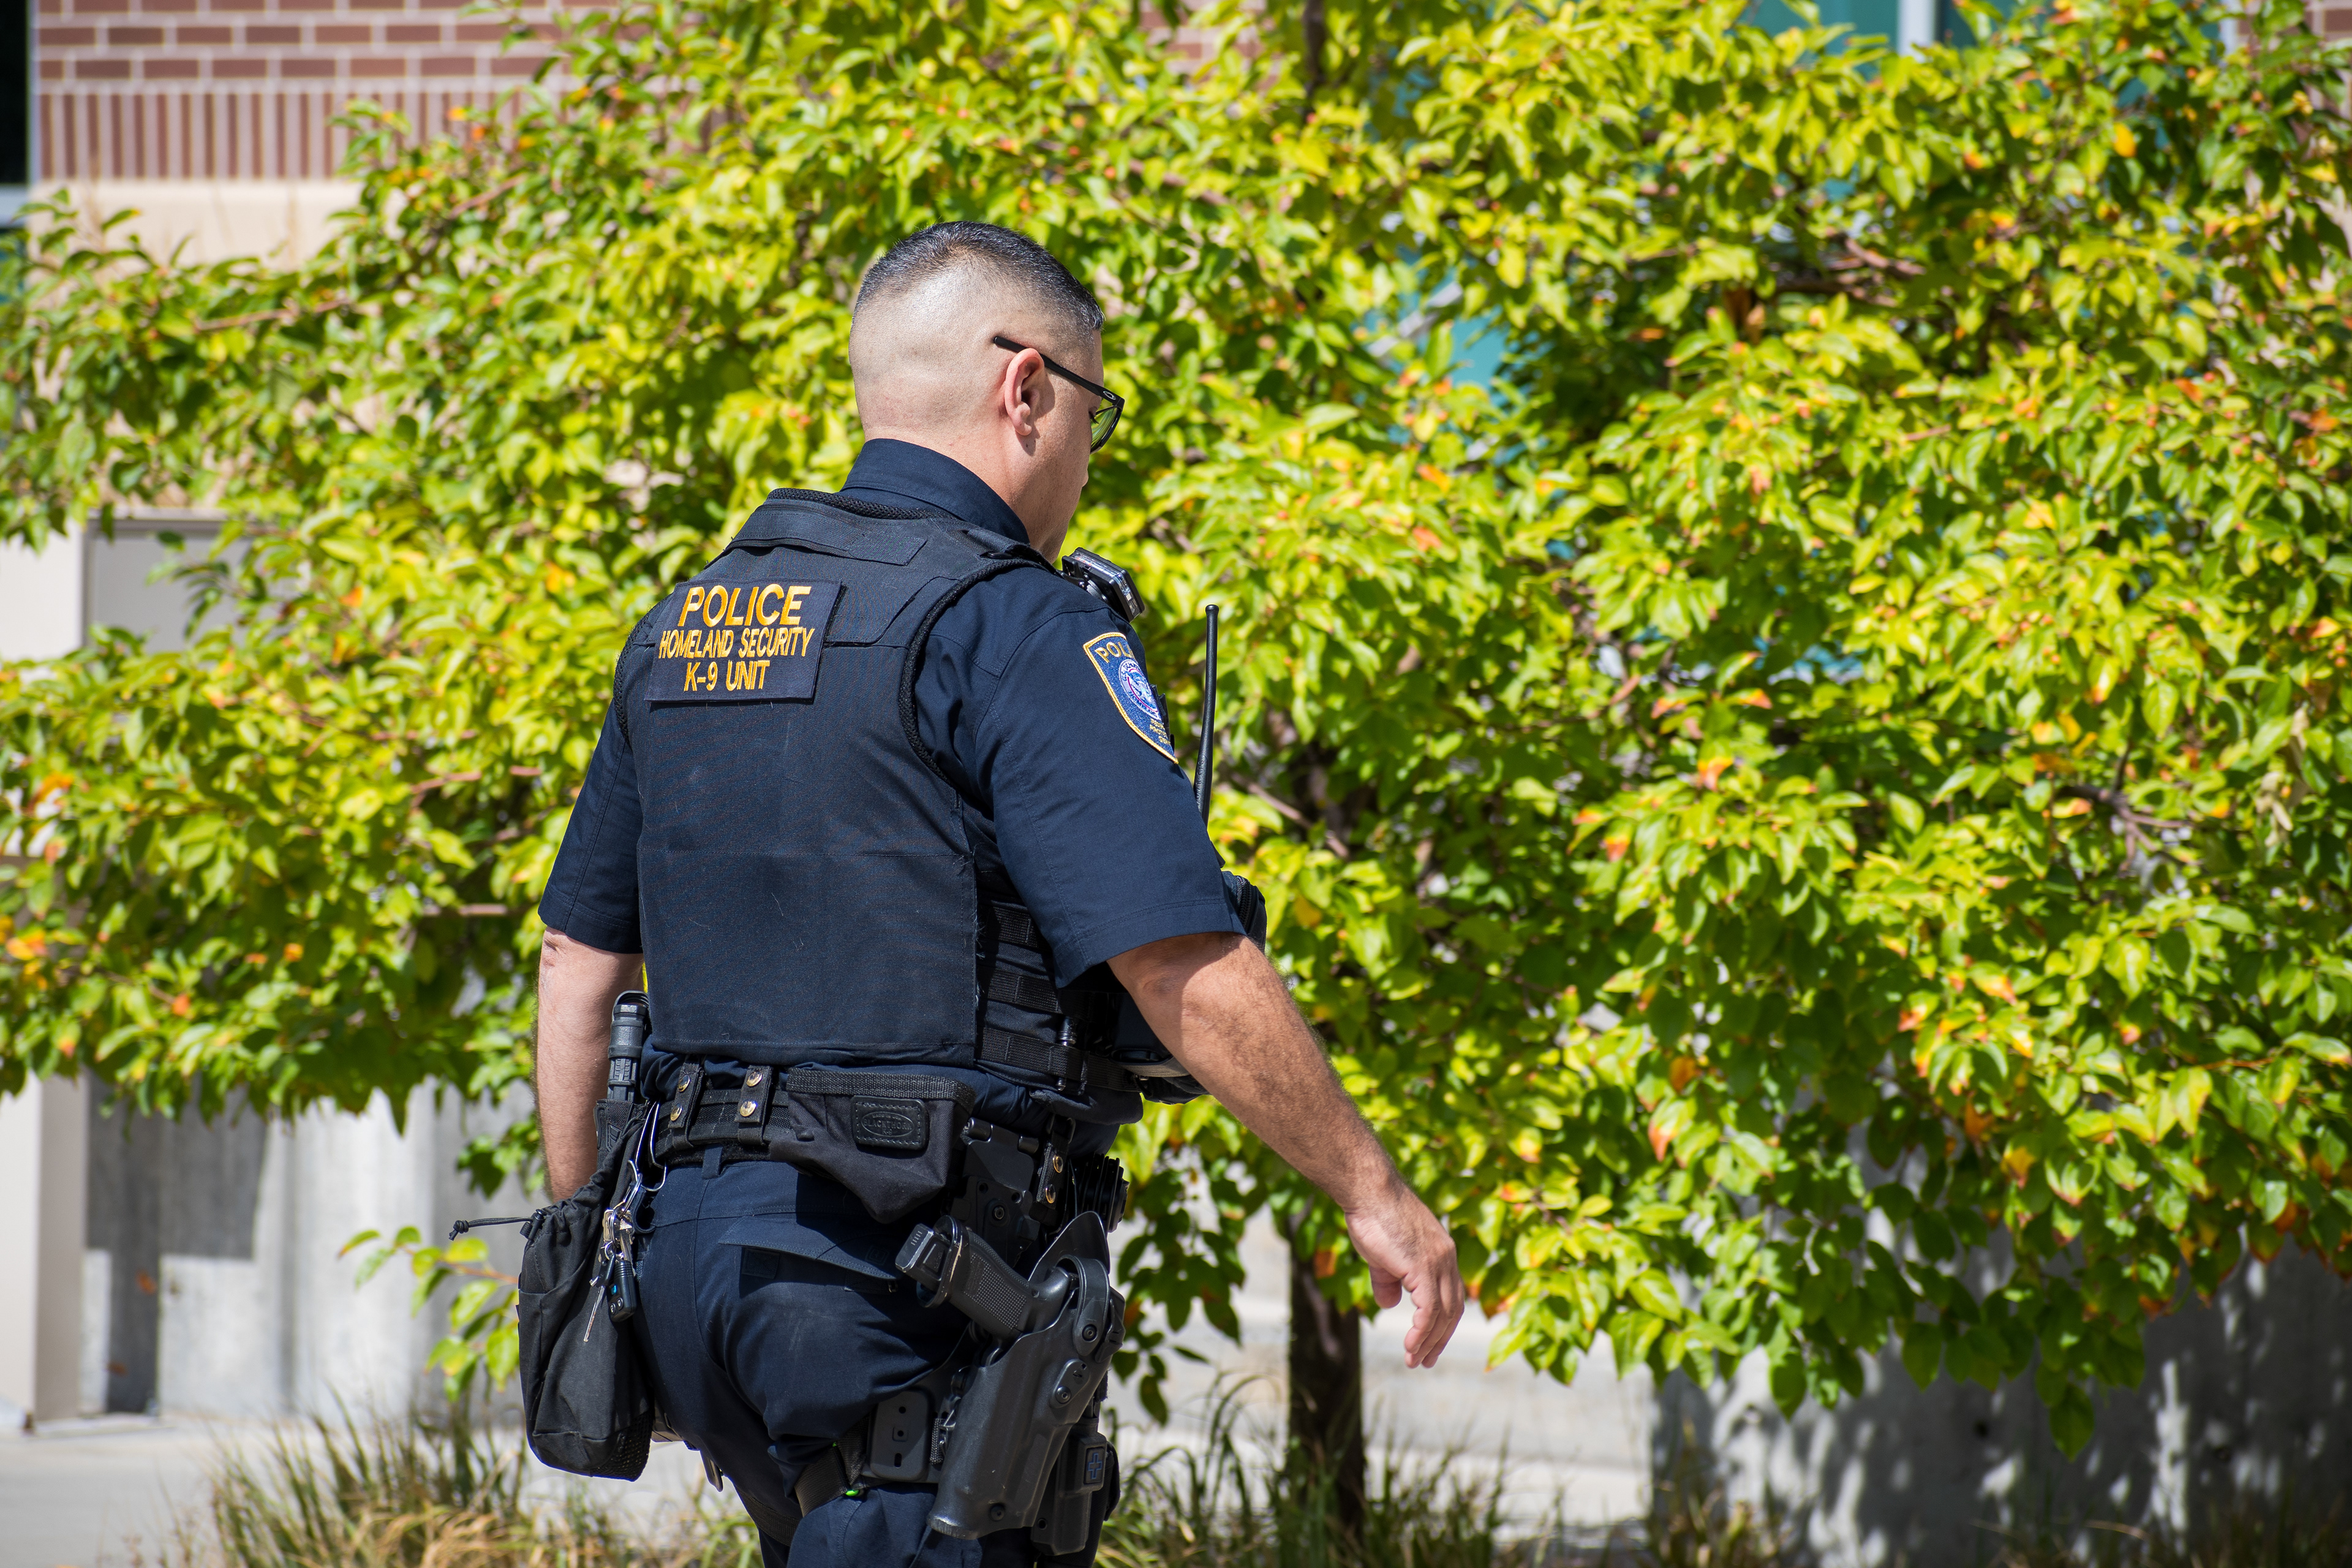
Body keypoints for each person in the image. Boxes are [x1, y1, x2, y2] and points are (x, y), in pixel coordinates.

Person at [532, 221, 1464, 1568]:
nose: (1092, 451)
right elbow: (1181, 959)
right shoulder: (1012, 621)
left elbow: (576, 962)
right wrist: (1378, 1194)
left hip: (693, 1282)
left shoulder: (692, 620)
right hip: (901, 1290)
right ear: (1026, 389)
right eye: (1096, 408)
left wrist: (590, 1253)